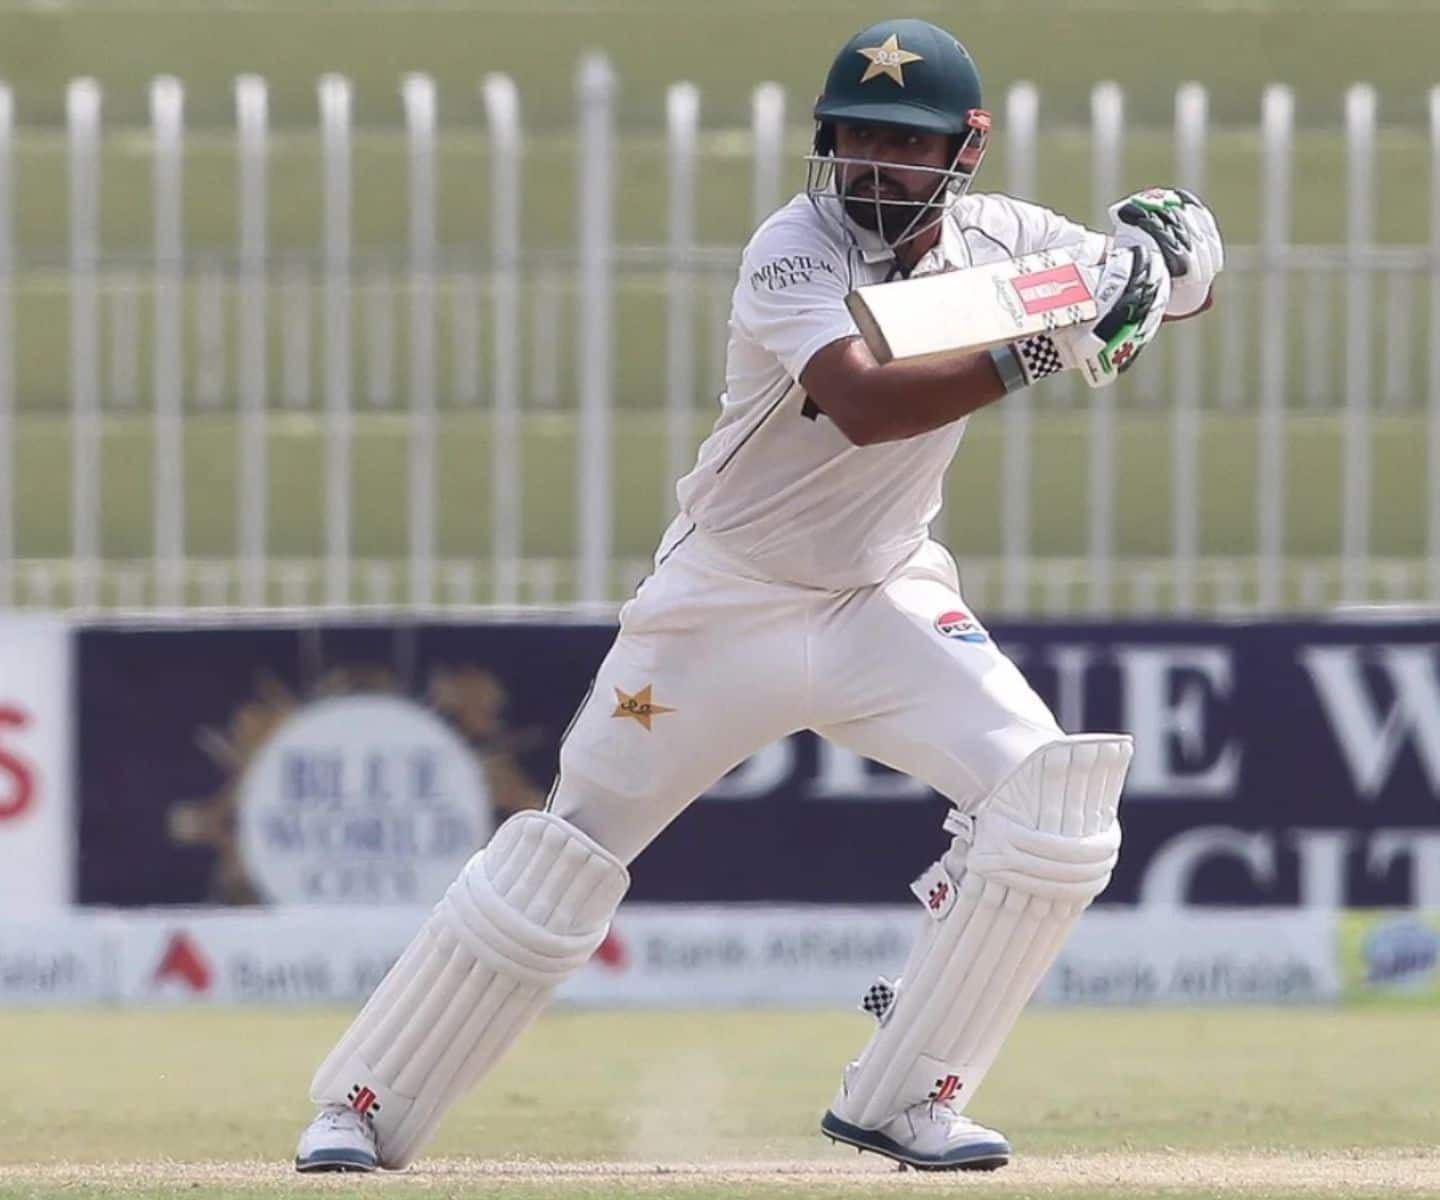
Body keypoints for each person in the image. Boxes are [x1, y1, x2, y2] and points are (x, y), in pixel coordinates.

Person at [293, 15, 1224, 1174]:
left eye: (907, 143)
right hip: (720, 605)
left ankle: (908, 1098)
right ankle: (361, 1107)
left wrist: (1160, 261)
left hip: (882, 598)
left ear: (964, 149)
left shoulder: (1009, 241)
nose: (876, 164)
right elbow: (867, 396)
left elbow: (1164, 287)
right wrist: (1048, 337)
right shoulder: (793, 248)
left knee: (1054, 805)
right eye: (857, 138)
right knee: (563, 859)